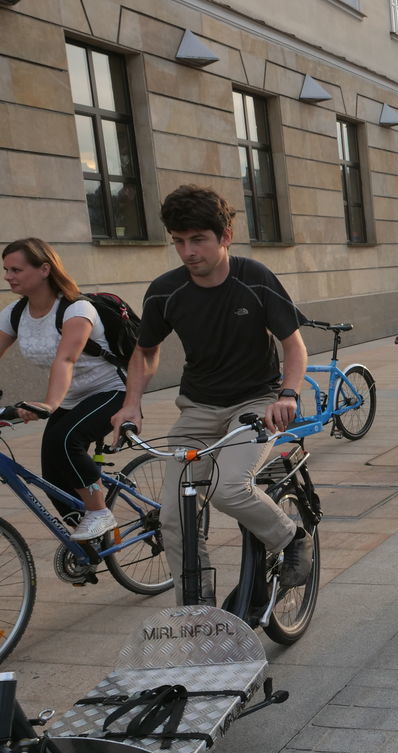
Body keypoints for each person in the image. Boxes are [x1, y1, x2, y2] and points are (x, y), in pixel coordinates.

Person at [110, 185, 311, 604]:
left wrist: (288, 394)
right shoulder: (166, 291)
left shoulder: (254, 278)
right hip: (198, 409)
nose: (187, 252)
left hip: (255, 403)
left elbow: (293, 345)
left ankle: (291, 538)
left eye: (197, 239)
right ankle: (197, 604)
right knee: (172, 516)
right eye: (179, 242)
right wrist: (131, 403)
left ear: (224, 236)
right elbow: (145, 351)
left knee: (228, 487)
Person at [0, 239, 126, 540]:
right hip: (69, 397)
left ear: (44, 269)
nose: (8, 276)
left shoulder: (76, 309)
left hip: (110, 390)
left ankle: (99, 511)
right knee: (53, 475)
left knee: (65, 440)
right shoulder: (15, 314)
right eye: (5, 270)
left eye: (16, 269)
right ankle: (89, 544)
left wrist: (49, 404)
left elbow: (65, 359)